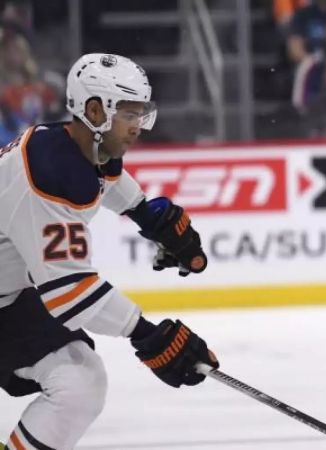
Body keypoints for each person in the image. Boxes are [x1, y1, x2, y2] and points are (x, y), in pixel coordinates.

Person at [0, 53, 219, 450]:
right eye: (129, 114)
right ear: (95, 110)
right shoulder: (45, 177)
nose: (138, 127)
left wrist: (147, 216)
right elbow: (69, 292)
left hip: (6, 298)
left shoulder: (75, 149)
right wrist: (147, 334)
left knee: (79, 381)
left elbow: (107, 178)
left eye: (141, 114)